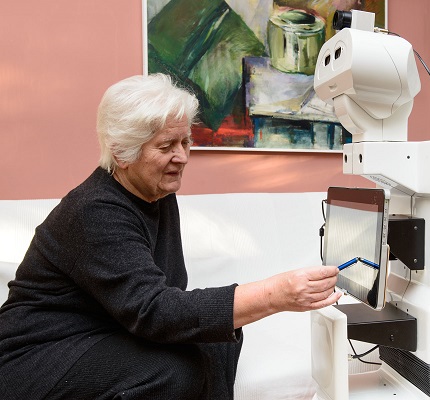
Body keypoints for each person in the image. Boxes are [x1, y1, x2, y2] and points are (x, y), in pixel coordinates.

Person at [0, 73, 342, 400]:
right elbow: (153, 310)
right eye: (166, 146)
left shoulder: (157, 192)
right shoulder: (94, 210)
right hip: (38, 354)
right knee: (173, 372)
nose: (182, 157)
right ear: (122, 152)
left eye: (185, 141)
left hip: (103, 330)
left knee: (216, 340)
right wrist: (275, 294)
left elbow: (169, 291)